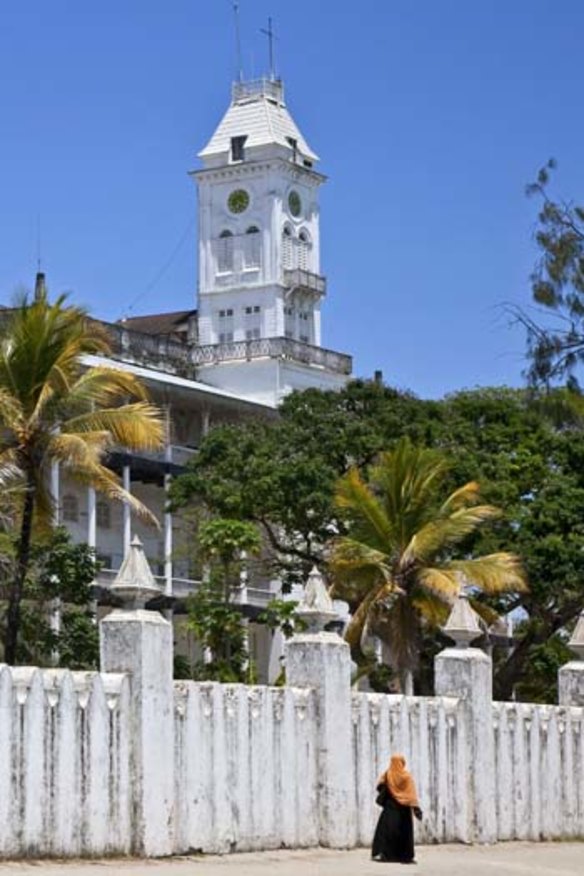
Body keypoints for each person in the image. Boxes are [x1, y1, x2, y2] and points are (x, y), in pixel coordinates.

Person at [371, 753, 423, 864]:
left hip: (390, 808)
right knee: (404, 833)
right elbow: (411, 794)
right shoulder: (407, 776)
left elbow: (379, 786)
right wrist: (416, 808)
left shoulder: (388, 774)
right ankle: (405, 857)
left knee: (387, 832)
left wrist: (390, 789)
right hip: (403, 810)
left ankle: (386, 855)